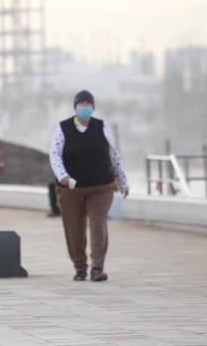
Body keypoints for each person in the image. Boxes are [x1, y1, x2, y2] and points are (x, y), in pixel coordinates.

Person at [49, 90, 130, 282]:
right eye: (82, 103)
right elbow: (54, 154)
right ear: (75, 106)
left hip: (101, 186)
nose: (85, 107)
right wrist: (63, 177)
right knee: (74, 229)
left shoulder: (102, 127)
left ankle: (97, 267)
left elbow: (114, 155)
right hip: (71, 189)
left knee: (97, 225)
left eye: (88, 104)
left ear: (93, 106)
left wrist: (123, 181)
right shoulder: (63, 128)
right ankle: (80, 267)